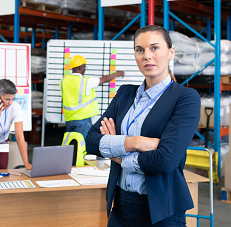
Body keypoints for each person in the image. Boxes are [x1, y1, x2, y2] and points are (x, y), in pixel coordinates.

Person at [86, 25, 201, 226]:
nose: (147, 55)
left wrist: (116, 153)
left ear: (171, 52)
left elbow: (165, 161)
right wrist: (135, 142)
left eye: (154, 48)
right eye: (140, 50)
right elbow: (92, 141)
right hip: (120, 208)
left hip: (161, 212)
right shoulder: (124, 94)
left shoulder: (185, 98)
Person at [60, 55, 125, 139]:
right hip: (83, 121)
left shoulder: (63, 81)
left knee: (71, 145)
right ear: (80, 68)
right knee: (82, 145)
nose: (85, 69)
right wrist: (118, 74)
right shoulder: (85, 81)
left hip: (69, 119)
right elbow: (104, 79)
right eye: (84, 67)